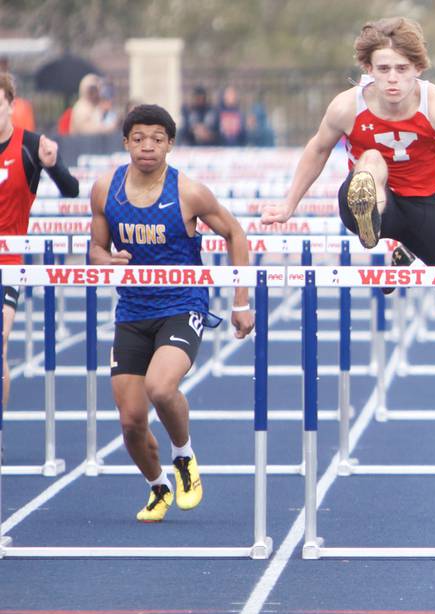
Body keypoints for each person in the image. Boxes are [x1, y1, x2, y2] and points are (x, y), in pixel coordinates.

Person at [260, 17, 435, 312]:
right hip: (365, 203)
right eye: (383, 69)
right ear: (368, 69)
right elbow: (318, 150)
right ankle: (370, 210)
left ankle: (413, 260)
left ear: (417, 69)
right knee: (371, 159)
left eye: (401, 69)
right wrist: (289, 204)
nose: (392, 78)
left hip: (420, 205)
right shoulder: (347, 106)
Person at [89, 104, 254, 522]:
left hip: (183, 304)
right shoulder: (105, 189)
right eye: (139, 138)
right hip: (132, 310)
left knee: (161, 388)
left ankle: (183, 456)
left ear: (170, 145)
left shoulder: (188, 192)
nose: (148, 147)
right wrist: (104, 261)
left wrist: (241, 301)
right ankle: (157, 485)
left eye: (157, 139)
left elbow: (236, 233)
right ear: (126, 142)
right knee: (130, 422)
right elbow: (95, 249)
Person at [0, 72, 79, 423]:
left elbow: (72, 189)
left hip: (8, 261)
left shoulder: (31, 145)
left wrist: (54, 165)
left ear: (10, 106)